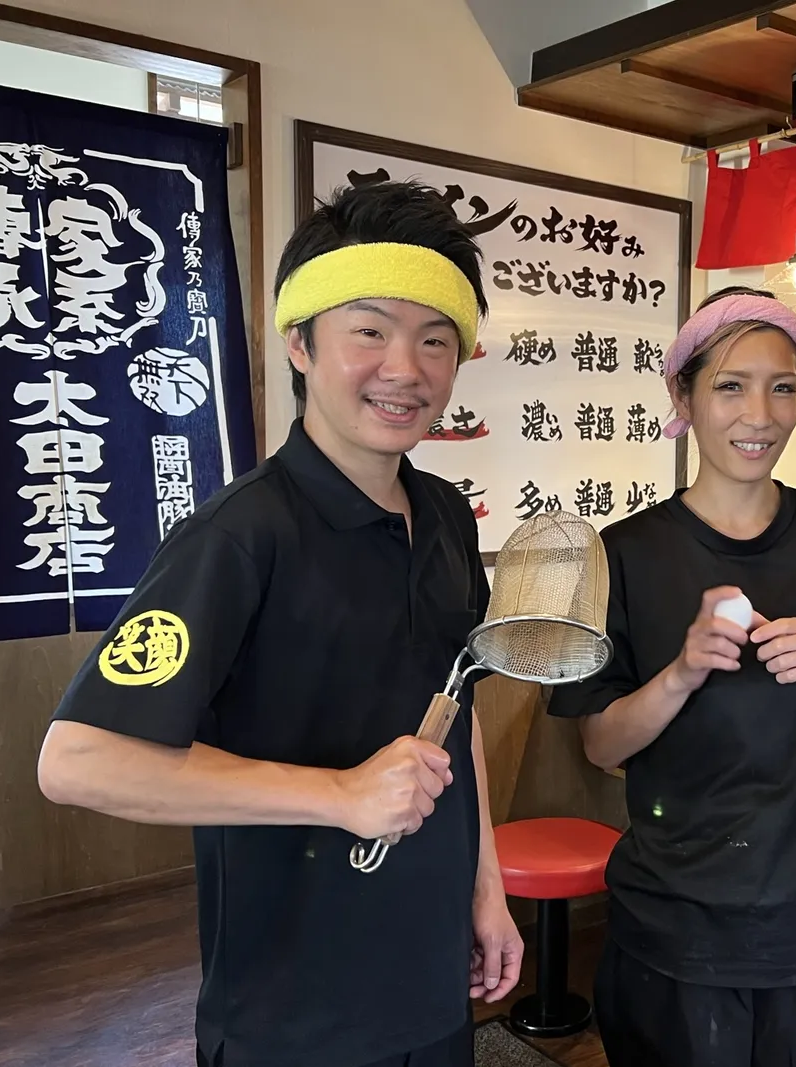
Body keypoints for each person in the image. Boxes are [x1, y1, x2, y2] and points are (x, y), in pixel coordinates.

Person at [36, 180, 522, 1067]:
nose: (404, 368)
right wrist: (336, 794)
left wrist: (485, 888)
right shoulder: (238, 536)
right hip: (293, 1013)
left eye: (435, 339)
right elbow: (76, 758)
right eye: (369, 330)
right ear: (300, 343)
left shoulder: (448, 516)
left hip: (429, 984)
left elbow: (458, 709)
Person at [549, 286, 796, 1067]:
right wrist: (680, 673)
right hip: (679, 924)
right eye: (730, 384)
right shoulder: (623, 553)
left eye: (782, 387)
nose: (760, 414)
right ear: (683, 393)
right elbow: (600, 743)